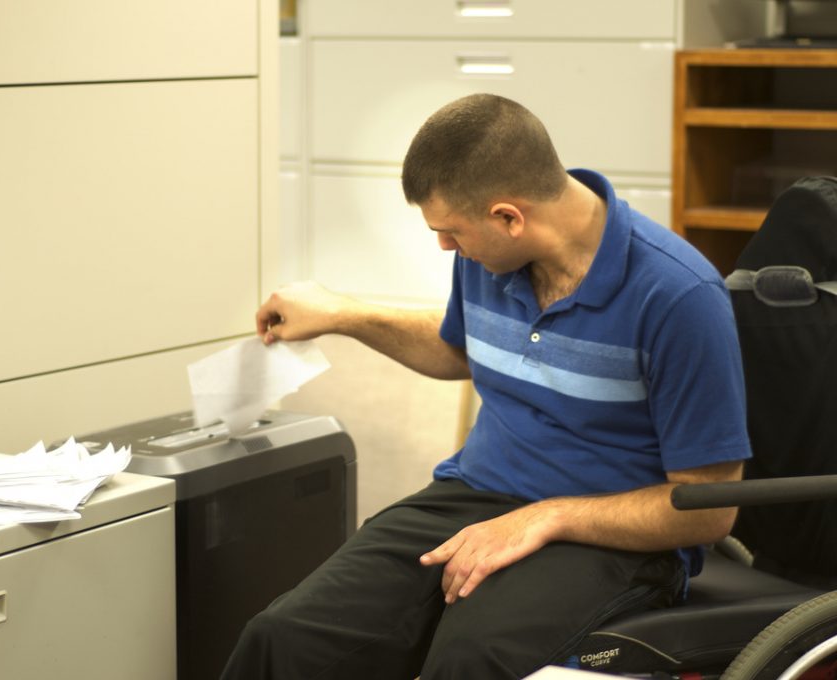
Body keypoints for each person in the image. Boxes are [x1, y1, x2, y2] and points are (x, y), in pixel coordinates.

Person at [220, 93, 752, 679]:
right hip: (473, 495)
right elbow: (461, 349)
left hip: (611, 536)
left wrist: (547, 517)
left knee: (467, 662)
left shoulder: (679, 297)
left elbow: (709, 510)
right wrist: (343, 313)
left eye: (451, 232)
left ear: (509, 216)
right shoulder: (489, 258)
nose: (446, 247)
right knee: (284, 638)